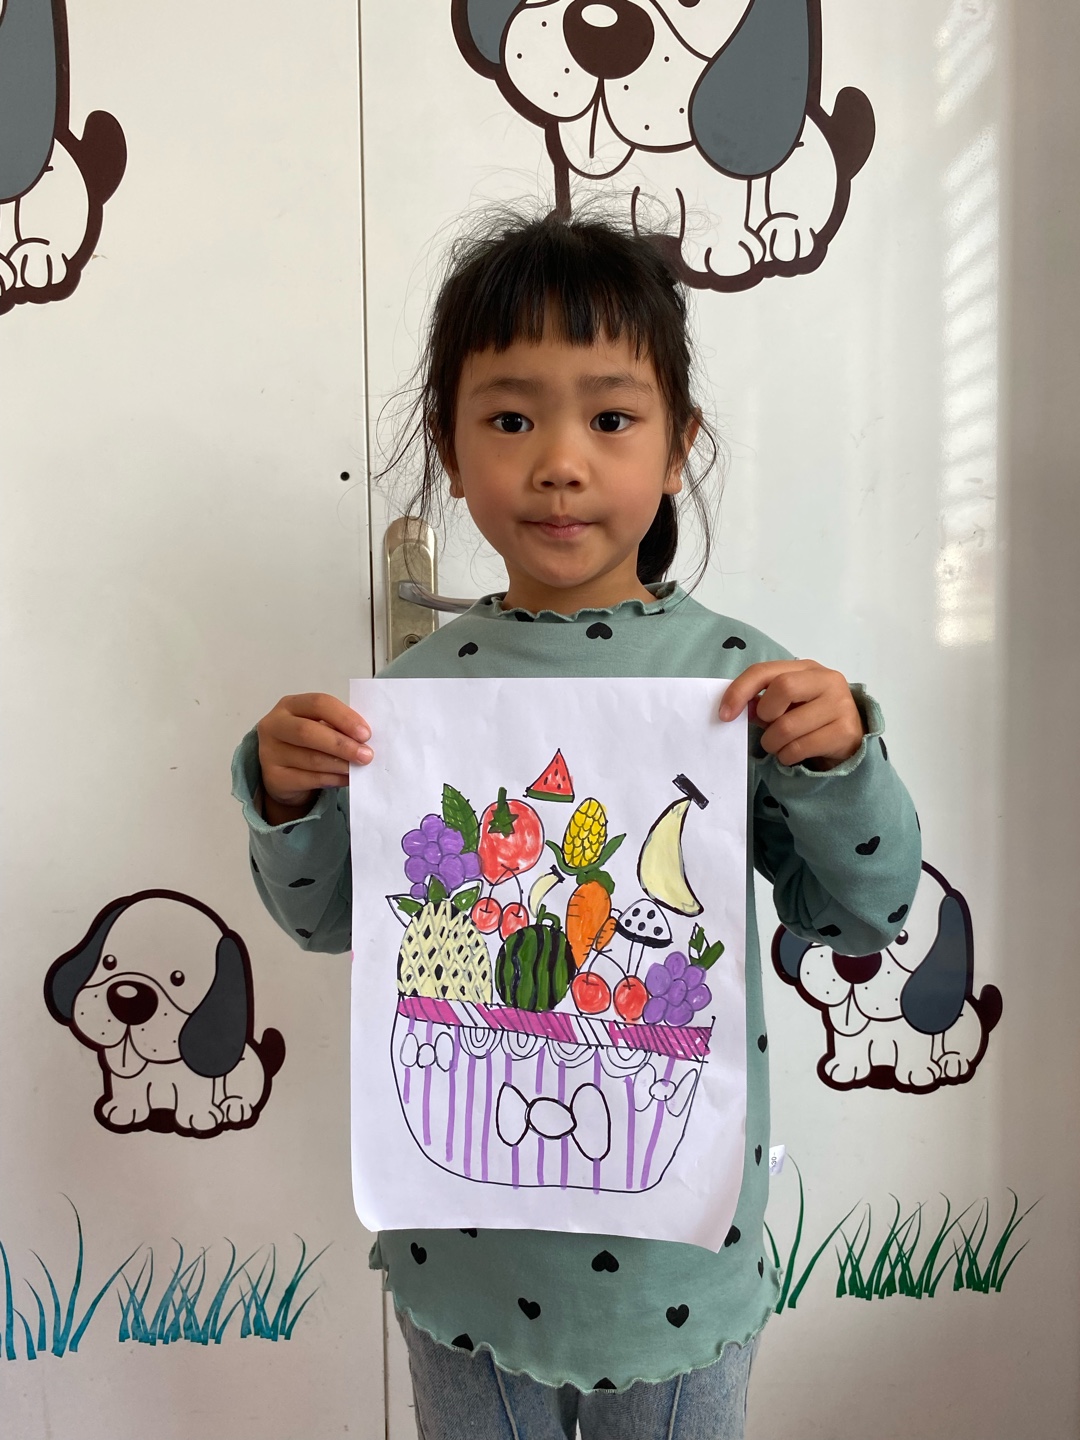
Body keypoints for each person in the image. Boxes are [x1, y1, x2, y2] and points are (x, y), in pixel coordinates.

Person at [232, 211, 921, 1439]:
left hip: (676, 1271)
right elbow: (331, 921)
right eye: (510, 420)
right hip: (463, 1262)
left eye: (610, 418)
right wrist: (287, 798)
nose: (559, 462)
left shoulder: (736, 683)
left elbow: (863, 911)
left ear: (678, 445)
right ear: (449, 449)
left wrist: (842, 762)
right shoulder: (419, 695)